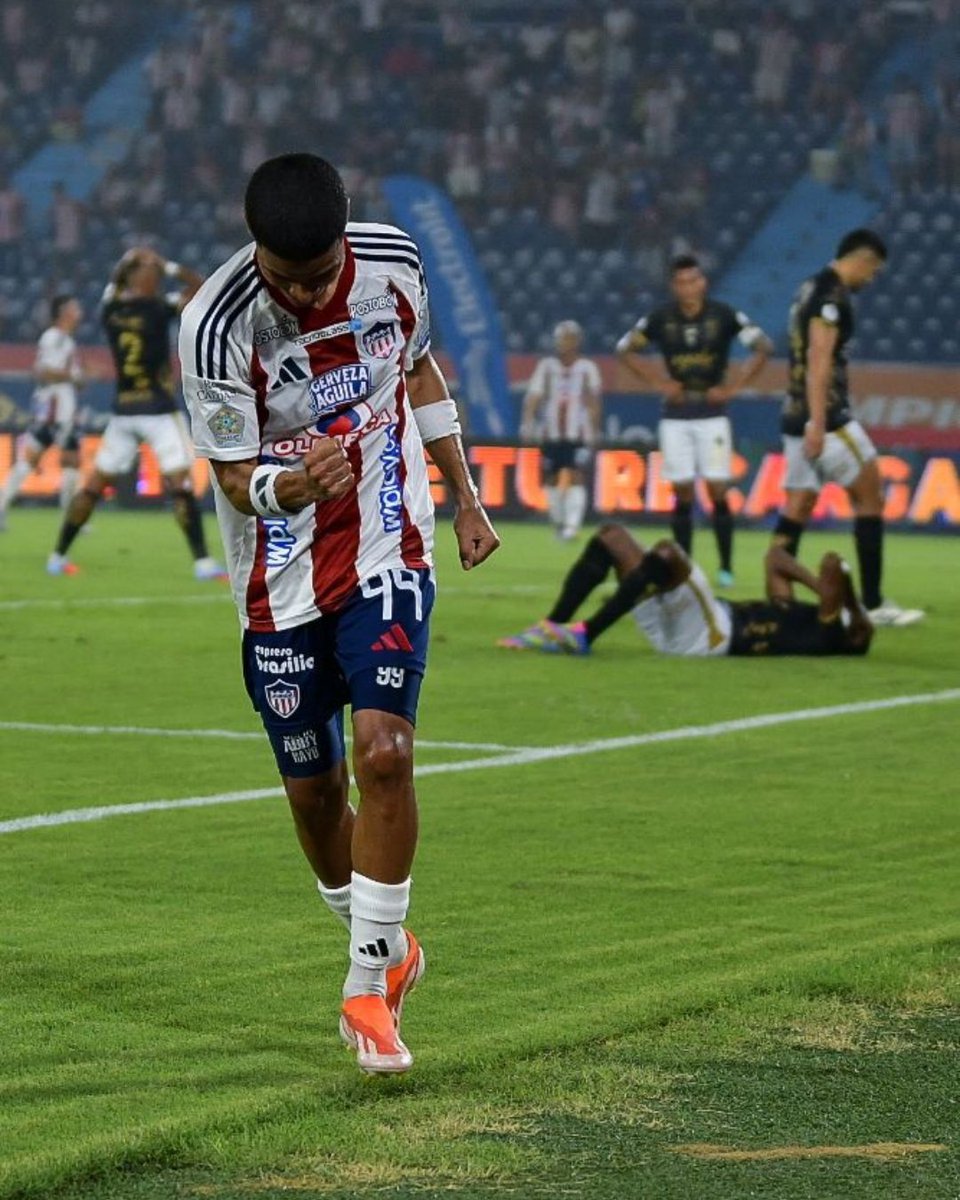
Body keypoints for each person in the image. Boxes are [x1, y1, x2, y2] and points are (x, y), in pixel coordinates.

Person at [179, 153, 499, 1075]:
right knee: (316, 798)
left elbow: (420, 371)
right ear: (257, 251)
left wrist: (466, 497)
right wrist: (288, 486)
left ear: (344, 240)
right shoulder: (215, 323)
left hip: (388, 539)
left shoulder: (394, 262)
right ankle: (389, 943)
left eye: (322, 276)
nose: (309, 294)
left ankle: (366, 987)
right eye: (289, 279)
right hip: (276, 576)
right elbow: (232, 478)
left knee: (385, 753)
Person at [771, 229, 922, 627]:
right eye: (873, 270)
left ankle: (777, 595)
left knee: (798, 504)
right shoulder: (832, 297)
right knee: (870, 493)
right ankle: (872, 603)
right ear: (863, 259)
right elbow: (819, 359)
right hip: (827, 416)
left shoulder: (808, 286)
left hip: (793, 412)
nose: (871, 279)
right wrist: (818, 422)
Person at [47, 248, 225, 579]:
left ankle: (57, 557)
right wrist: (169, 265)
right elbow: (202, 289)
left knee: (95, 486)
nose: (155, 273)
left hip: (125, 410)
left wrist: (133, 261)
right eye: (149, 269)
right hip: (158, 410)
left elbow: (114, 285)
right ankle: (203, 564)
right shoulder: (158, 307)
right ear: (136, 277)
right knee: (179, 485)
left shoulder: (111, 308)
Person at [616, 254, 772, 587]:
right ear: (674, 286)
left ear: (703, 282)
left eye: (694, 280)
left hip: (713, 416)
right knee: (682, 491)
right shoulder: (661, 318)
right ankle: (684, 568)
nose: (688, 287)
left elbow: (763, 347)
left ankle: (726, 567)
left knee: (717, 488)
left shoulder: (723, 315)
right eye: (682, 282)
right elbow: (625, 349)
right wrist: (659, 383)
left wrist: (733, 388)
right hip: (676, 416)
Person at [498, 524, 872, 659]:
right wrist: (830, 592)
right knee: (611, 537)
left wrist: (851, 600)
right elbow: (777, 558)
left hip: (712, 636)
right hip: (688, 624)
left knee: (668, 554)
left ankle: (584, 635)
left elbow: (833, 565)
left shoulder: (829, 634)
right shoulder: (797, 615)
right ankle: (552, 627)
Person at [0, 294, 87, 530]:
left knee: (33, 459)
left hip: (56, 408)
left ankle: (2, 506)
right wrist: (74, 376)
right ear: (63, 313)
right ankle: (71, 518)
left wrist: (79, 378)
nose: (79, 313)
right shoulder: (54, 338)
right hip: (56, 410)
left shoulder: (65, 340)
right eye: (74, 308)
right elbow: (44, 372)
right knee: (70, 460)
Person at [521, 319, 601, 540]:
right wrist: (528, 424)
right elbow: (534, 397)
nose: (562, 343)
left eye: (566, 338)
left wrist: (595, 430)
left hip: (579, 433)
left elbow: (594, 401)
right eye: (559, 338)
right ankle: (558, 521)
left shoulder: (587, 368)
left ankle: (572, 526)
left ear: (576, 341)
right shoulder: (546, 367)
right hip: (551, 433)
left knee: (576, 475)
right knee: (552, 478)